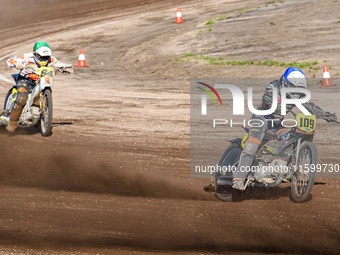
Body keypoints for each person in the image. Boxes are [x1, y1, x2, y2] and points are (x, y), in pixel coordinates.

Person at [232, 67, 337, 190]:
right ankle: (238, 179)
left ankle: (279, 169)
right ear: (285, 84)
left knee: (288, 140)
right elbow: (267, 100)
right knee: (252, 145)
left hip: (277, 123)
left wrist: (325, 114)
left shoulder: (297, 95)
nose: (296, 93)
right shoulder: (272, 89)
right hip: (260, 119)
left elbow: (309, 105)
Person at [4, 41, 71, 133]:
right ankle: (12, 122)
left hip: (40, 81)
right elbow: (11, 60)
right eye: (41, 57)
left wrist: (67, 67)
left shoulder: (51, 59)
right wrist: (17, 64)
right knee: (21, 98)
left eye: (46, 57)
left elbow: (61, 64)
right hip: (25, 80)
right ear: (35, 54)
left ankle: (38, 119)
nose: (44, 59)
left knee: (38, 98)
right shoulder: (27, 57)